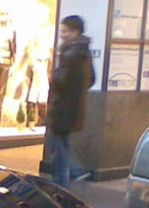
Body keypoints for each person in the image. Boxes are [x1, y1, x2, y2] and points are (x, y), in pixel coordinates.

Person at [47, 15, 95, 189]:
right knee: (61, 144)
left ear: (75, 32)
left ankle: (67, 179)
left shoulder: (70, 53)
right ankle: (71, 174)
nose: (62, 35)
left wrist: (54, 76)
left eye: (65, 31)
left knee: (57, 146)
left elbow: (60, 81)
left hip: (62, 108)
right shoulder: (83, 51)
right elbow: (92, 78)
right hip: (74, 107)